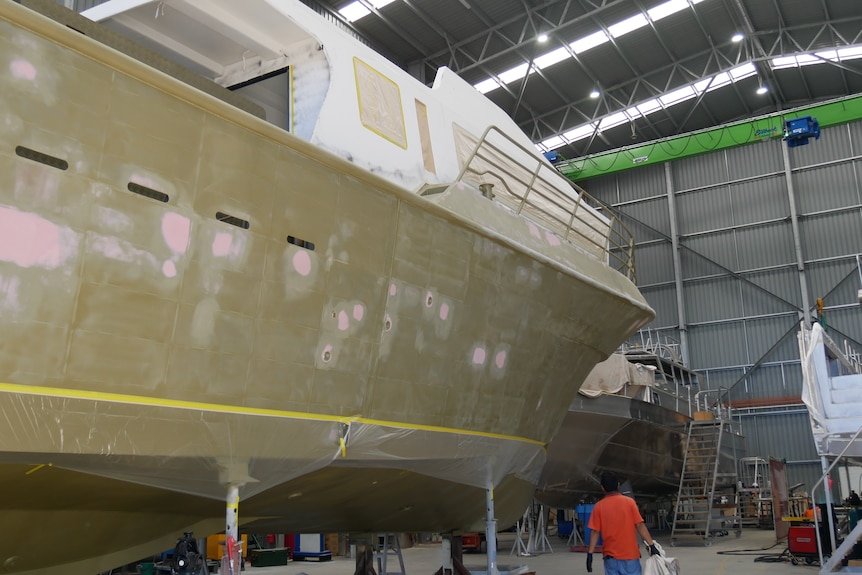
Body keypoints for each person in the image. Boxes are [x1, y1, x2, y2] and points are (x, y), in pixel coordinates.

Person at [586, 473, 660, 574]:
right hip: (630, 556)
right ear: (618, 485)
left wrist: (590, 554)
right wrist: (652, 545)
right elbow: (640, 525)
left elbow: (595, 532)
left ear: (602, 488)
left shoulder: (599, 507)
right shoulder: (629, 503)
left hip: (610, 558)